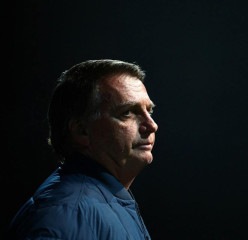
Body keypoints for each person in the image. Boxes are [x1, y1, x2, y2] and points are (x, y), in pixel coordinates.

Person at [7, 59, 158, 240]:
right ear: (81, 131)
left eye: (149, 111)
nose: (152, 125)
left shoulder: (102, 200)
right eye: (127, 113)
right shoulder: (65, 212)